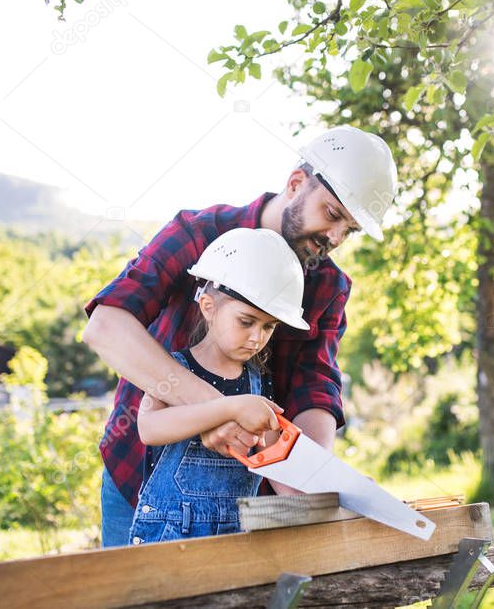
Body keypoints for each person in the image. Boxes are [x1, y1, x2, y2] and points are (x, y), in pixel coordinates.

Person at [83, 125, 398, 548]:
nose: (336, 238)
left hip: (240, 502)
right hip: (140, 485)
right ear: (296, 184)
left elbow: (314, 387)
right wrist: (218, 411)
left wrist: (309, 474)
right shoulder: (198, 233)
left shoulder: (328, 286)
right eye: (333, 214)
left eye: (351, 229)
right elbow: (107, 326)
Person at [128, 227, 309, 544]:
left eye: (268, 327)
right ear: (209, 307)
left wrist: (325, 494)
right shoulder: (175, 369)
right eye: (246, 321)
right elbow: (149, 428)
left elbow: (271, 457)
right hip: (170, 534)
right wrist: (227, 407)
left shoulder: (258, 380)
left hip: (236, 534)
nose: (257, 338)